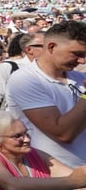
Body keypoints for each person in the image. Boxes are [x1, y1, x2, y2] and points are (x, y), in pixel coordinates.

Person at [6, 21, 86, 167]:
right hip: (52, 177)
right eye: (77, 54)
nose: (82, 60)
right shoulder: (25, 79)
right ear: (51, 47)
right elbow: (62, 133)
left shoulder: (80, 78)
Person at [0, 109, 86, 190]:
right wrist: (71, 182)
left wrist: (80, 181)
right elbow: (13, 185)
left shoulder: (34, 154)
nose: (27, 139)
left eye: (26, 133)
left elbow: (73, 176)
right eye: (17, 136)